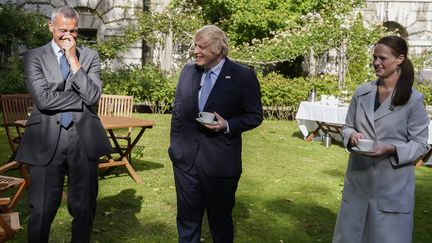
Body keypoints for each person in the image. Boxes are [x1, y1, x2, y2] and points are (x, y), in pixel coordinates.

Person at [15, 5, 112, 243]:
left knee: (84, 208)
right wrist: (81, 98)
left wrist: (73, 60)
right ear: (50, 27)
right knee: (42, 209)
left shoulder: (90, 57)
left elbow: (93, 97)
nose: (68, 36)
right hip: (45, 139)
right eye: (62, 30)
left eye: (74, 31)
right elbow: (43, 100)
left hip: (84, 140)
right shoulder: (34, 57)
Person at [168, 25, 263, 243]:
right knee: (187, 221)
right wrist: (175, 148)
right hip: (185, 162)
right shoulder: (188, 71)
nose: (195, 51)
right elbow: (179, 111)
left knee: (219, 223)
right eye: (195, 45)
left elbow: (255, 116)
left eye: (202, 47)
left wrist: (227, 125)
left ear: (218, 50)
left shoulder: (243, 76)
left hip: (220, 164)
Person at [332, 35, 429, 243]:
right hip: (358, 180)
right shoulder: (361, 93)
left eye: (382, 58)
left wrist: (392, 149)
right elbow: (347, 126)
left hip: (392, 186)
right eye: (374, 57)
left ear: (400, 59)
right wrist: (351, 135)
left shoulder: (413, 100)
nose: (376, 62)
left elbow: (421, 144)